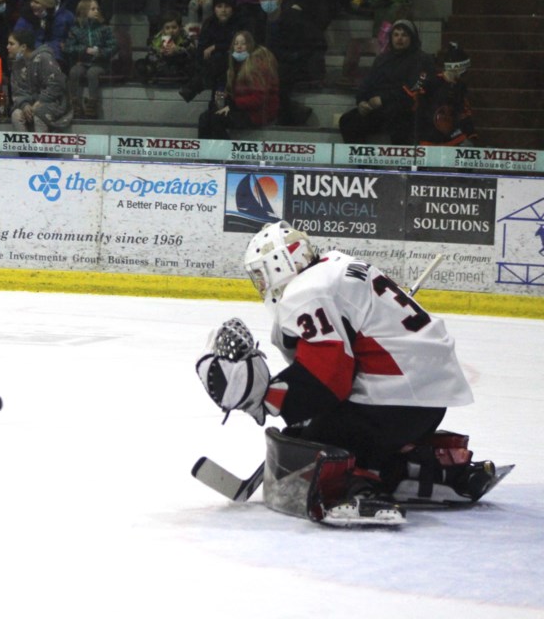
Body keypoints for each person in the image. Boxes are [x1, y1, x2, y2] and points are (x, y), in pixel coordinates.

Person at [196, 221, 504, 523]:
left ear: (278, 265)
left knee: (316, 446)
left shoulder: (305, 292)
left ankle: (359, 489)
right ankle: (439, 471)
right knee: (321, 429)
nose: (262, 284)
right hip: (427, 397)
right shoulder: (336, 265)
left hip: (396, 401)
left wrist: (267, 397)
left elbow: (329, 381)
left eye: (261, 275)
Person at [338, 19, 434, 146]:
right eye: (396, 34)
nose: (399, 38)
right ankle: (365, 165)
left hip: (406, 110)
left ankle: (403, 164)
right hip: (381, 110)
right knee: (348, 121)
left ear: (412, 38)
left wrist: (383, 99)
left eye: (404, 35)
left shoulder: (422, 59)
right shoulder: (383, 59)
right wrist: (361, 101)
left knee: (401, 122)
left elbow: (416, 88)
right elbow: (367, 83)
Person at [256, 0, 325, 125]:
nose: (268, 1)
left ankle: (287, 118)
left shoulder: (294, 18)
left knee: (280, 75)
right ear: (259, 0)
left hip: (297, 64)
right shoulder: (258, 22)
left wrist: (293, 56)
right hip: (270, 64)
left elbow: (318, 44)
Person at [197, 29, 278, 139]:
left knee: (216, 118)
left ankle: (224, 153)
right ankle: (206, 153)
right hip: (241, 108)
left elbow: (259, 99)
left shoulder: (258, 66)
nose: (239, 47)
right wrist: (220, 102)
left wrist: (232, 104)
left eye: (243, 44)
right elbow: (224, 89)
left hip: (258, 113)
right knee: (205, 117)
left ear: (250, 46)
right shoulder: (233, 66)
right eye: (236, 44)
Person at [407, 42, 477, 147]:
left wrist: (470, 134)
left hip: (451, 136)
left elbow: (464, 111)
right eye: (463, 71)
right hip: (428, 136)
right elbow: (414, 99)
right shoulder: (431, 82)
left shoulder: (460, 86)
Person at [179, 0, 243, 103]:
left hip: (237, 64)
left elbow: (244, 45)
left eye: (227, 6)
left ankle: (197, 84)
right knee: (214, 62)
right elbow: (201, 50)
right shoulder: (209, 23)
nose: (223, 10)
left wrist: (217, 47)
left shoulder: (240, 22)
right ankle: (215, 103)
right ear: (214, 8)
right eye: (219, 6)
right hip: (215, 69)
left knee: (219, 57)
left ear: (233, 8)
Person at [7, 28, 71, 132]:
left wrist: (40, 102)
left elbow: (56, 84)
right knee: (16, 115)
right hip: (30, 103)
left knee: (39, 114)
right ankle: (23, 148)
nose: (7, 47)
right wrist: (24, 104)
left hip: (52, 102)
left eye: (11, 44)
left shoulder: (44, 58)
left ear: (23, 47)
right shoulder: (16, 65)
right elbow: (17, 90)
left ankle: (40, 147)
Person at [63, 0, 116, 119]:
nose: (96, 11)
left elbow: (113, 46)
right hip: (83, 62)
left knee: (92, 73)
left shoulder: (104, 29)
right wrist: (84, 49)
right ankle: (75, 103)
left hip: (100, 63)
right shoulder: (76, 30)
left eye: (97, 8)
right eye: (93, 9)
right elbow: (68, 48)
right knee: (74, 72)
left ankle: (92, 104)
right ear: (84, 11)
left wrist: (100, 52)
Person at [13, 0, 75, 67]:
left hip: (54, 59)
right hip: (29, 55)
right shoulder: (26, 16)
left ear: (48, 4)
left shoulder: (65, 18)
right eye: (32, 1)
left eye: (37, 2)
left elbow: (61, 42)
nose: (32, 4)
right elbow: (17, 37)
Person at [134, 10, 195, 85]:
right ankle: (150, 77)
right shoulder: (157, 39)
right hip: (162, 66)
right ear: (163, 30)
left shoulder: (185, 37)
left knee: (194, 64)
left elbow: (192, 51)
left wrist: (177, 50)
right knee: (140, 64)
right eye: (167, 28)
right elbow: (150, 55)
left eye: (174, 27)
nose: (171, 31)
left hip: (179, 66)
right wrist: (160, 52)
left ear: (179, 27)